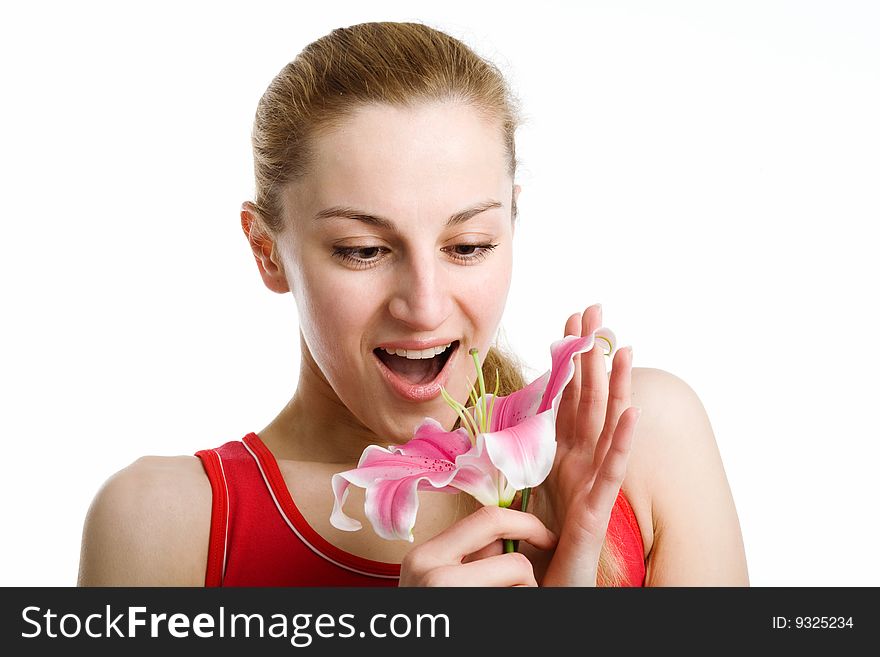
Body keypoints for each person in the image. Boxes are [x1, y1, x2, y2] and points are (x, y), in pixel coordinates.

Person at [77, 21, 748, 587]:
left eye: (468, 244)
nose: (425, 307)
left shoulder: (633, 439)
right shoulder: (161, 525)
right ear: (266, 250)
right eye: (363, 250)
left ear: (512, 222)